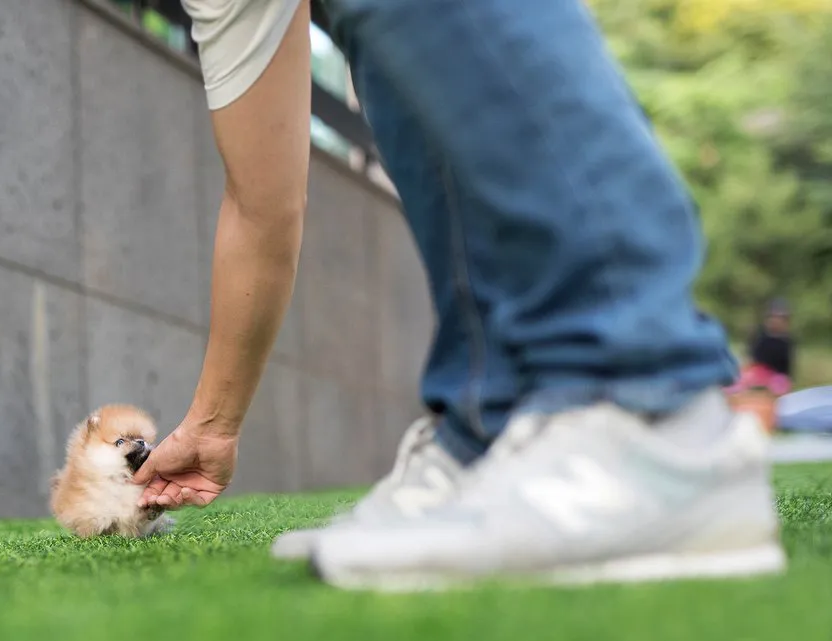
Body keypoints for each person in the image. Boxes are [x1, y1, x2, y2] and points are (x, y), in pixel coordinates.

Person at [132, 0, 787, 591]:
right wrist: (212, 426)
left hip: (632, 392)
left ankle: (642, 411)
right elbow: (262, 205)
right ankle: (491, 425)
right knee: (390, 50)